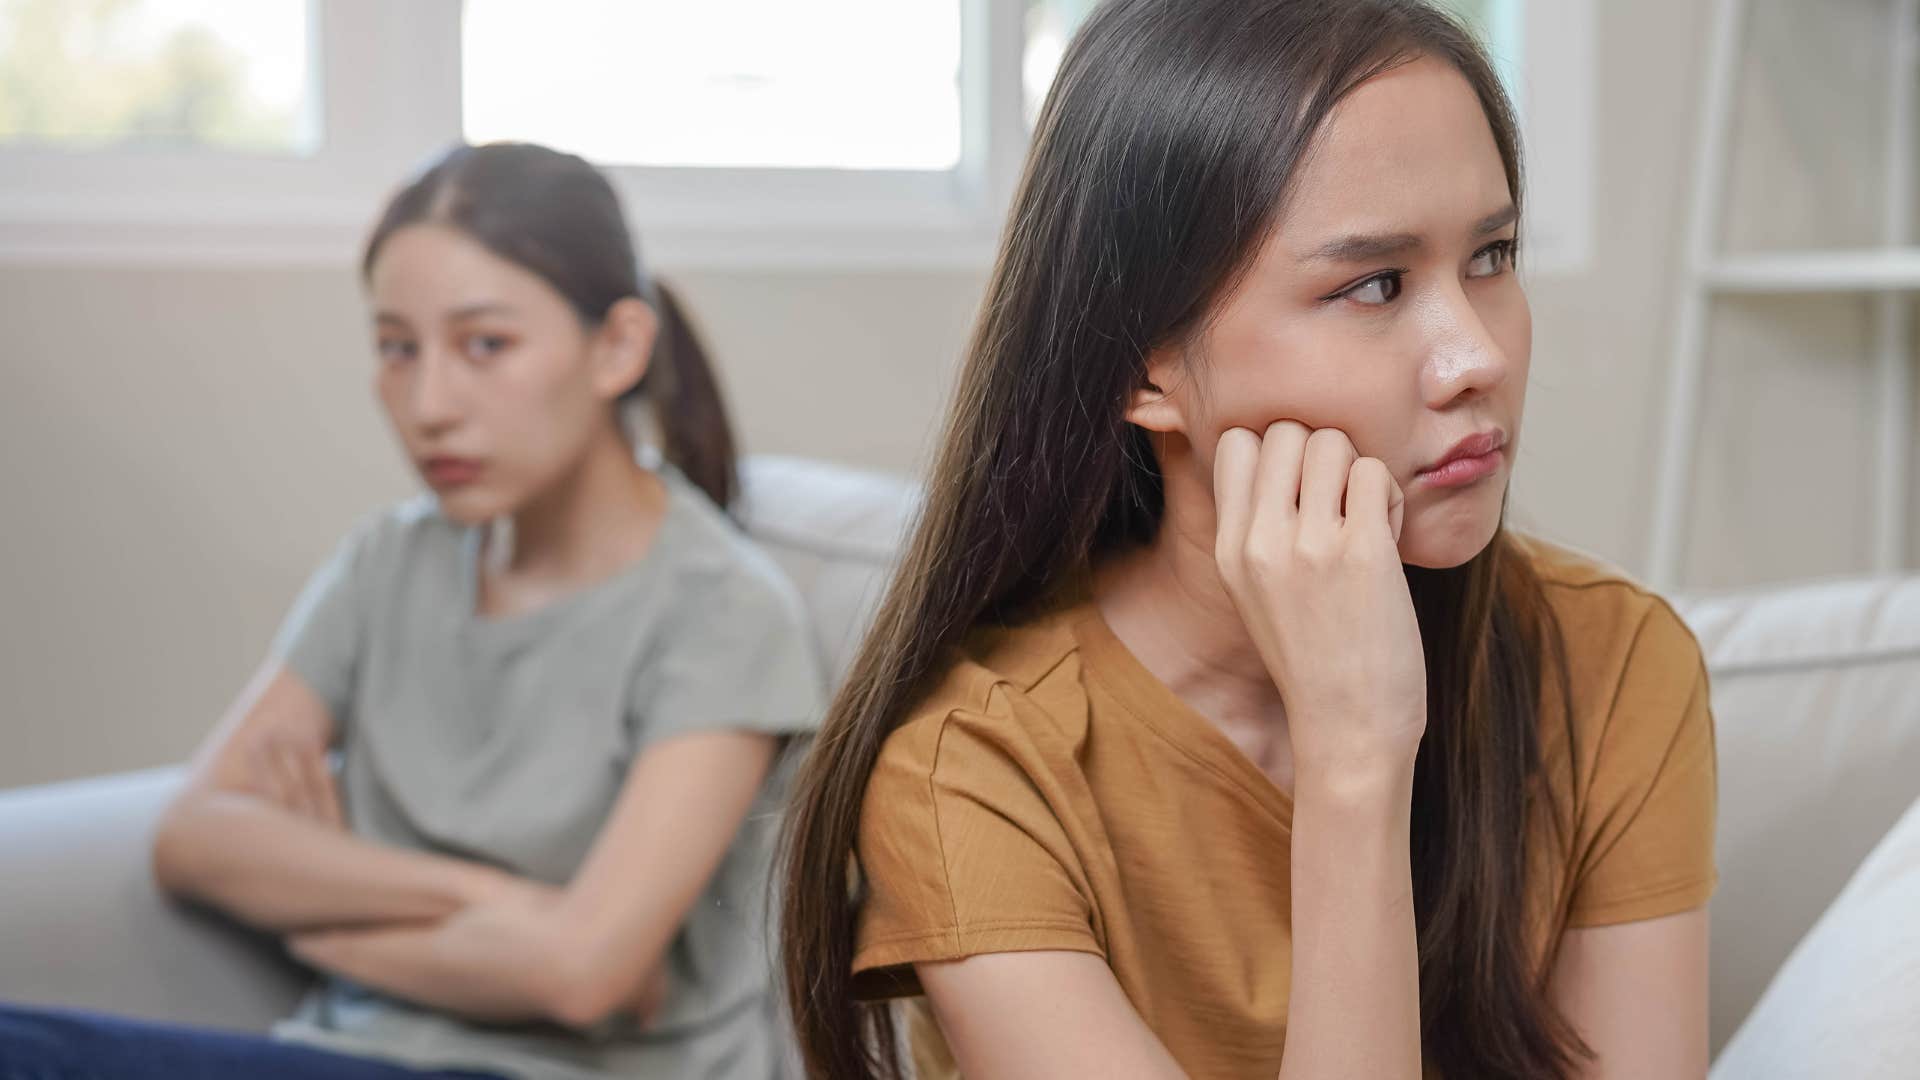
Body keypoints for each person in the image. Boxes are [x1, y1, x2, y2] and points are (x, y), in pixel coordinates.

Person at [778, 2, 1716, 1078]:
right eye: (1375, 284)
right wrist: (1355, 756)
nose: (1476, 357)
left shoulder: (1613, 666)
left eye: (1493, 255)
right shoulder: (976, 771)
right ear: (1144, 368)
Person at [1, 142, 823, 1080]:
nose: (430, 404)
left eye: (486, 345)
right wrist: (489, 900)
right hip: (342, 1051)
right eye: (397, 348)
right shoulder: (388, 562)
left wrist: (314, 887)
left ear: (618, 348)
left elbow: (585, 977)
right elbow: (192, 840)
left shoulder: (722, 611)